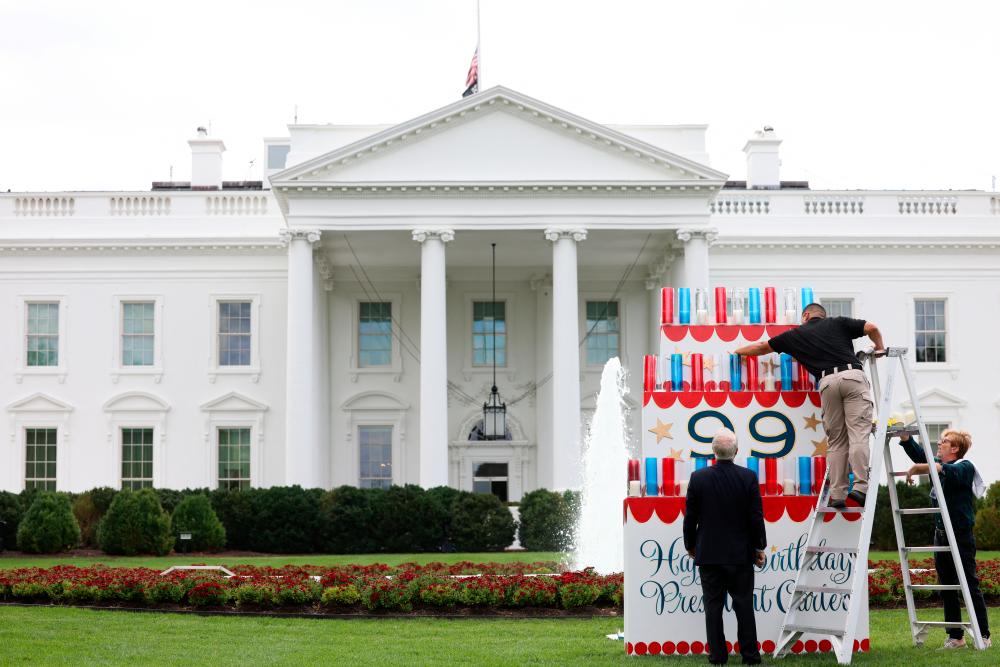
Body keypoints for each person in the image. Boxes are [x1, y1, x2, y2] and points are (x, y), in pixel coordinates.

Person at [735, 303, 884, 509]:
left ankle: (837, 494)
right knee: (858, 434)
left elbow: (761, 346)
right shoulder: (838, 322)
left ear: (805, 315)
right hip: (852, 377)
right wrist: (880, 347)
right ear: (823, 315)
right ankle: (859, 488)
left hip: (826, 383)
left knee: (836, 441)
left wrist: (737, 351)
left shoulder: (795, 335)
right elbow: (872, 328)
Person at [898, 428, 991, 649]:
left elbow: (944, 469)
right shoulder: (938, 466)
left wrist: (921, 467)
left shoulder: (965, 467)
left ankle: (983, 635)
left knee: (969, 584)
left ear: (955, 448)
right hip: (941, 535)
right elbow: (924, 458)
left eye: (944, 441)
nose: (939, 444)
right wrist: (905, 438)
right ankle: (956, 637)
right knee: (947, 586)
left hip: (960, 536)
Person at [684, 428, 767, 665]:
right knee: (744, 606)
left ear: (713, 451)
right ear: (736, 451)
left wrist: (690, 544)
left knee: (713, 607)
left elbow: (690, 517)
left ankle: (718, 656)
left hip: (709, 553)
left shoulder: (698, 478)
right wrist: (759, 547)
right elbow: (755, 516)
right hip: (741, 554)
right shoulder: (748, 477)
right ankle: (750, 655)